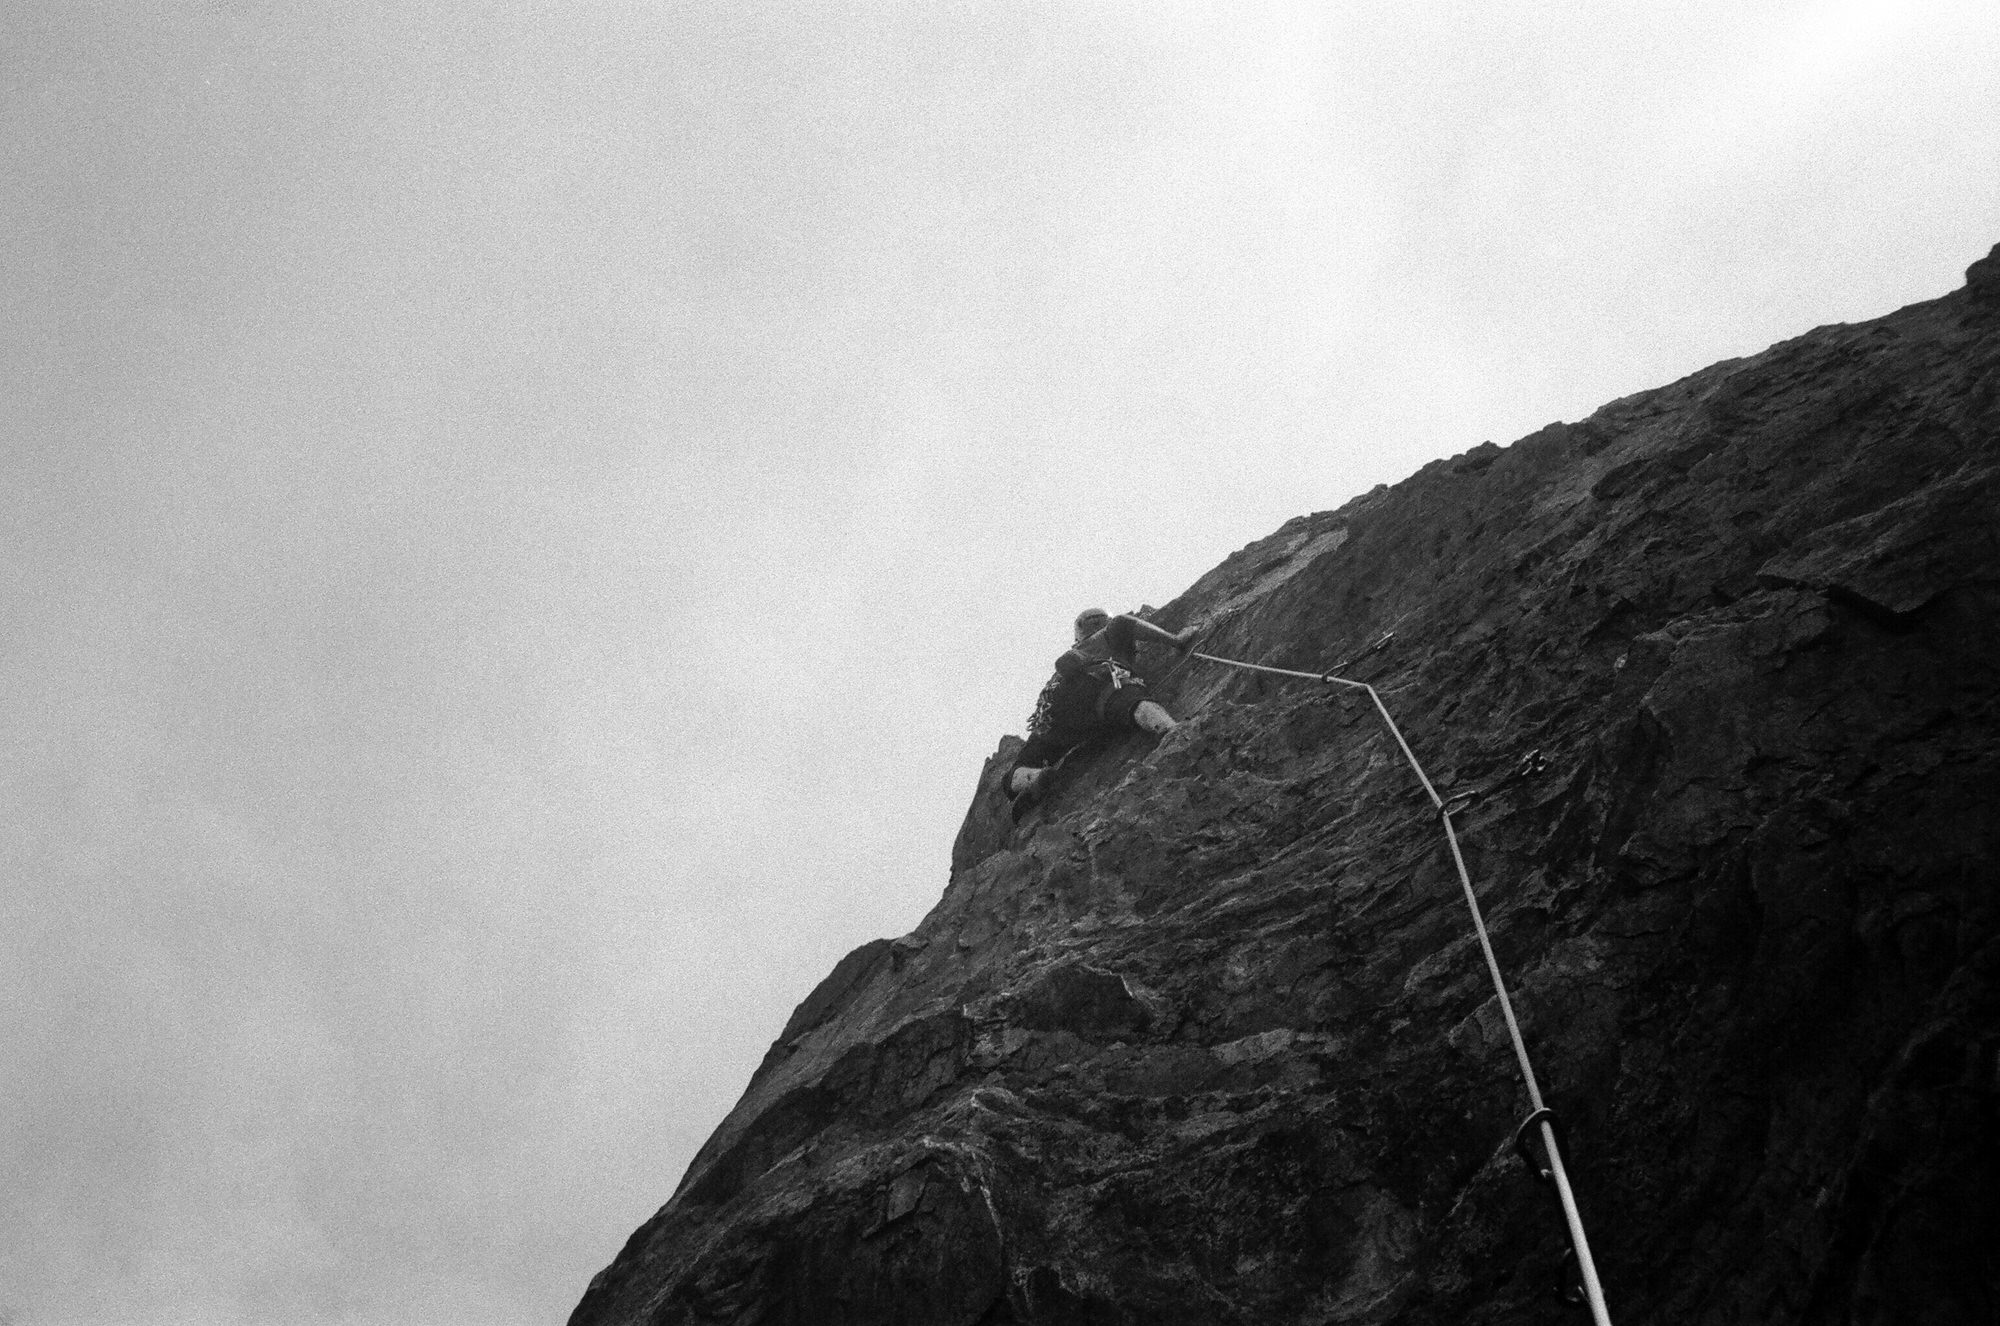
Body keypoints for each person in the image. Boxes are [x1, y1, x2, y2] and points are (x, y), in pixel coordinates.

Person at [1004, 607, 1198, 812]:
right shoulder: (1107, 635)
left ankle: (1032, 777)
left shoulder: (1071, 660)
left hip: (1055, 710)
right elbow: (1124, 623)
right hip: (1097, 685)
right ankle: (1171, 730)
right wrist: (1177, 640)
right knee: (1131, 702)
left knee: (1025, 761)